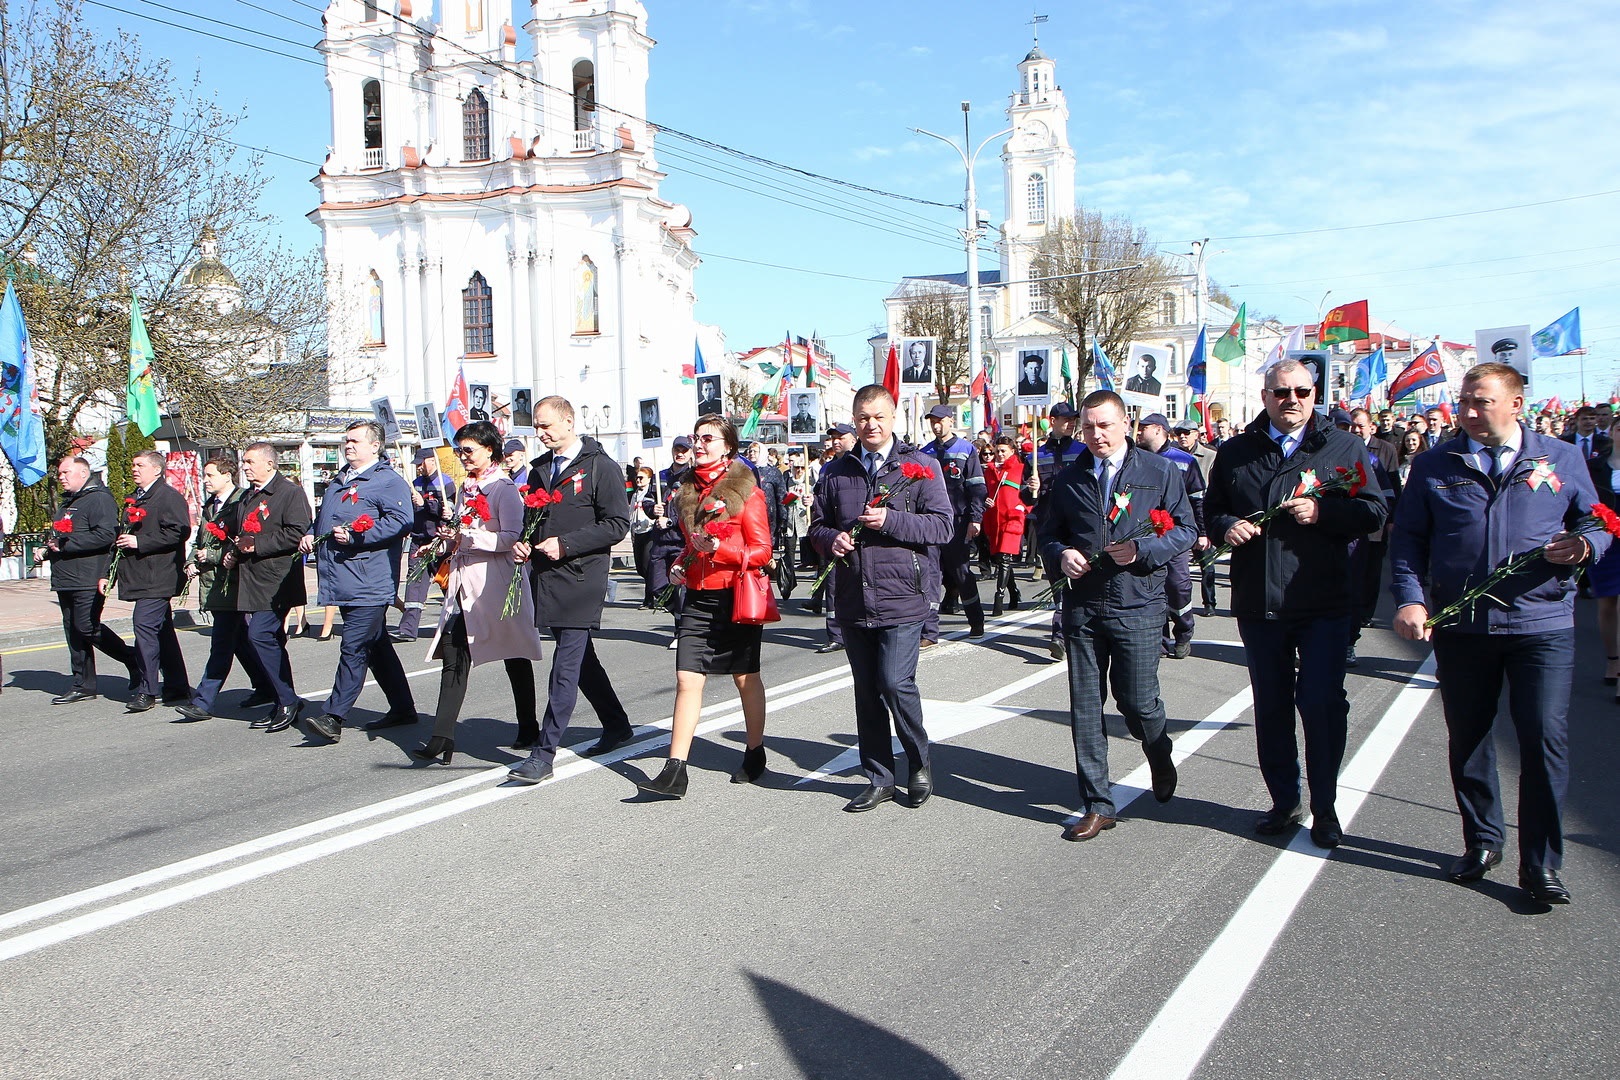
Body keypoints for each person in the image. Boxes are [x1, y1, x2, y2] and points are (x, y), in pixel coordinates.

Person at [1391, 362, 1608, 905]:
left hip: (1543, 622)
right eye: (1464, 401)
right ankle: (1483, 840)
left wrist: (1584, 548)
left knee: (1542, 740)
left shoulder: (1560, 457)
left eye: (1480, 402)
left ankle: (1541, 865)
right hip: (1464, 625)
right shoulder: (1437, 463)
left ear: (1516, 403)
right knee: (1469, 738)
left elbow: (1597, 519)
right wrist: (1412, 598)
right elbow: (1409, 538)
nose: (1467, 411)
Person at [1204, 359, 1385, 848]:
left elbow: (1373, 512)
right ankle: (1285, 800)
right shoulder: (1237, 451)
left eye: (1302, 392)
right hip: (1260, 600)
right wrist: (1226, 527)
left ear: (1314, 393)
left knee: (1322, 703)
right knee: (1273, 704)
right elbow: (1213, 508)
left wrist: (1325, 511)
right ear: (1265, 396)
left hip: (1323, 600)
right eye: (1281, 393)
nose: (1292, 401)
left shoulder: (1343, 445)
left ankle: (1325, 806)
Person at [1038, 391, 1196, 840]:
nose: (1096, 435)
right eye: (1088, 427)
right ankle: (1098, 803)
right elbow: (1048, 532)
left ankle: (1158, 749)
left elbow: (1186, 529)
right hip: (1083, 606)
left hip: (1138, 603)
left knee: (1137, 702)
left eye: (1104, 425)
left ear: (1125, 423)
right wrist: (1060, 554)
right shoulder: (1069, 477)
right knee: (1086, 708)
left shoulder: (1160, 471)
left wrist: (1142, 550)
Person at [808, 385, 952, 812]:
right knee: (867, 691)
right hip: (854, 596)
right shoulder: (836, 471)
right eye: (862, 417)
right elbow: (816, 526)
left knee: (894, 682)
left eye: (878, 417)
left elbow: (942, 527)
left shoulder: (919, 466)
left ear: (893, 419)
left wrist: (892, 520)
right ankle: (879, 777)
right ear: (854, 420)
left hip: (903, 596)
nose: (870, 425)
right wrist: (830, 539)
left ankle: (919, 761)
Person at [638, 416, 772, 797]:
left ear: (727, 446)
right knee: (686, 679)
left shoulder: (749, 493)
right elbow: (693, 542)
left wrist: (722, 549)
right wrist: (682, 563)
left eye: (707, 439)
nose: (699, 444)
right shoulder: (686, 492)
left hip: (736, 596)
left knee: (745, 678)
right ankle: (675, 769)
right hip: (698, 595)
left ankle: (754, 751)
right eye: (696, 438)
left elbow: (762, 552)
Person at [508, 396, 635, 784]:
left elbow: (617, 524)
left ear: (568, 421)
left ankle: (543, 754)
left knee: (564, 667)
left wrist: (567, 544)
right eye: (536, 427)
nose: (540, 434)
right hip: (545, 577)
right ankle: (616, 724)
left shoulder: (601, 467)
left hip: (581, 577)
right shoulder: (539, 469)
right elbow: (533, 516)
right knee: (582, 662)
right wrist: (523, 542)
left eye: (546, 426)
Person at [407, 422, 544, 764]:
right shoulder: (465, 487)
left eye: (468, 450)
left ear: (489, 450)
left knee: (515, 653)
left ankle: (528, 724)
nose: (463, 457)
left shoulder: (503, 488)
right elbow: (462, 531)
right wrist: (441, 541)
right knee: (454, 653)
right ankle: (442, 736)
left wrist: (466, 537)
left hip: (495, 583)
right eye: (459, 451)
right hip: (463, 580)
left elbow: (510, 537)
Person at [297, 421, 419, 743]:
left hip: (370, 580)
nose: (348, 445)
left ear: (374, 446)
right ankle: (403, 708)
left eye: (355, 441)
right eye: (346, 441)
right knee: (377, 647)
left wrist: (358, 535)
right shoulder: (339, 481)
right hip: (343, 578)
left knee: (353, 645)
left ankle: (334, 715)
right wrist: (312, 534)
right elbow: (323, 517)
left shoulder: (387, 481)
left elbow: (401, 521)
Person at [174, 455, 273, 721]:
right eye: (204, 476)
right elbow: (200, 541)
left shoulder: (241, 501)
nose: (205, 480)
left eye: (210, 475)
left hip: (234, 583)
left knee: (220, 644)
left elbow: (244, 541)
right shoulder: (211, 506)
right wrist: (192, 561)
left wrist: (215, 557)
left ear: (226, 476)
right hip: (215, 584)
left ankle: (204, 701)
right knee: (239, 640)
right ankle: (267, 686)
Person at [231, 441, 313, 733]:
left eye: (250, 461)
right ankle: (284, 699)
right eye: (244, 462)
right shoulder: (247, 496)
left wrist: (257, 545)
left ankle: (288, 700)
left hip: (277, 581)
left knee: (260, 634)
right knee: (271, 639)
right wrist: (236, 550)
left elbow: (297, 531)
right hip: (252, 579)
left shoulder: (289, 492)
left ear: (269, 463)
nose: (245, 466)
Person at [36, 456, 126, 704]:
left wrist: (65, 545)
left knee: (86, 626)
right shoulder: (69, 501)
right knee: (74, 631)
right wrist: (47, 549)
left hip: (88, 576)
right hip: (66, 576)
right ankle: (83, 683)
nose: (61, 477)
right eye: (60, 473)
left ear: (83, 473)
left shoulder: (99, 499)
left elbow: (107, 535)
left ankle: (133, 659)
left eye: (66, 472)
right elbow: (64, 537)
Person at [113, 450, 192, 712]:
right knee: (161, 631)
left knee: (144, 626)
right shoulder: (134, 498)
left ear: (157, 470)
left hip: (159, 575)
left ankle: (148, 689)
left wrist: (141, 541)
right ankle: (177, 686)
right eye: (133, 464)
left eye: (140, 465)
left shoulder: (167, 496)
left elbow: (179, 531)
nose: (135, 469)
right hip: (139, 575)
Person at [1134, 412, 1205, 659]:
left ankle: (1184, 631)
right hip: (1146, 535)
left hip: (1176, 535)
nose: (1138, 431)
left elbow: (1197, 499)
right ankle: (1160, 640)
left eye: (1143, 427)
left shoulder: (1183, 460)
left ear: (1158, 429)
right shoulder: (1134, 459)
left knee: (1177, 585)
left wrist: (1202, 533)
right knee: (1154, 587)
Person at [921, 404, 986, 640]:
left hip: (957, 521)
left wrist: (975, 519)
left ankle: (976, 621)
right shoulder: (925, 452)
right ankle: (929, 631)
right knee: (930, 574)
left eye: (940, 420)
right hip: (931, 521)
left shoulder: (966, 449)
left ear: (950, 420)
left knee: (961, 572)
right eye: (932, 421)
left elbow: (977, 487)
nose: (936, 425)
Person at [1028, 402, 1086, 658]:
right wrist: (1032, 488)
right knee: (1058, 583)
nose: (1071, 423)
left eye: (1074, 419)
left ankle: (1061, 635)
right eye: (1065, 419)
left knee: (1077, 581)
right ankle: (1066, 631)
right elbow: (1026, 498)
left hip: (1077, 526)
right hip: (1049, 527)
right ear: (1052, 421)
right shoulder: (1035, 456)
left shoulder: (1084, 452)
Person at [1345, 408, 1400, 663]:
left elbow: (1388, 493)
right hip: (1331, 533)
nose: (1354, 431)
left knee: (1361, 583)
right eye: (1348, 427)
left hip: (1364, 532)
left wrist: (1386, 519)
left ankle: (1350, 639)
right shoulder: (1329, 451)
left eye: (1358, 426)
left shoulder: (1376, 457)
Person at [393, 448, 447, 643]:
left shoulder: (445, 482)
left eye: (421, 463)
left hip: (439, 540)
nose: (418, 467)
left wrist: (424, 503)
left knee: (448, 584)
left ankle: (461, 624)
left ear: (432, 461)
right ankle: (408, 628)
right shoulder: (415, 483)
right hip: (418, 539)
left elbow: (448, 511)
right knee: (414, 584)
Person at [1173, 421, 1220, 616]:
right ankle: (1181, 606)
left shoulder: (1210, 455)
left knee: (1206, 564)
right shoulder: (1172, 456)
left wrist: (1206, 528)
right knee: (1178, 570)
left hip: (1202, 513)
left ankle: (1209, 602)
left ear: (1196, 434)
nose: (1182, 437)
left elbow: (1216, 487)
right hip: (1179, 516)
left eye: (1186, 433)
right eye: (1179, 434)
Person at [1589, 415, 1620, 690]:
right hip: (1607, 540)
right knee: (1608, 603)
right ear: (1611, 432)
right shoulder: (1596, 466)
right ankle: (1613, 658)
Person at [983, 436, 1029, 616]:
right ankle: (1014, 592)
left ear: (1012, 451)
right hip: (994, 519)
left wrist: (1023, 507)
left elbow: (1032, 492)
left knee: (1004, 559)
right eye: (997, 451)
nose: (1000, 454)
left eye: (1003, 451)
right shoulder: (990, 471)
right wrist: (984, 500)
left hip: (1012, 518)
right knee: (1001, 558)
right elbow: (985, 492)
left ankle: (998, 598)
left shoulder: (1021, 469)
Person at [629, 465, 659, 606]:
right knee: (640, 568)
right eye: (637, 477)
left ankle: (649, 599)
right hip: (637, 532)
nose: (638, 480)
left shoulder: (652, 493)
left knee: (647, 567)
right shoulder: (635, 494)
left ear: (649, 479)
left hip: (649, 531)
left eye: (641, 478)